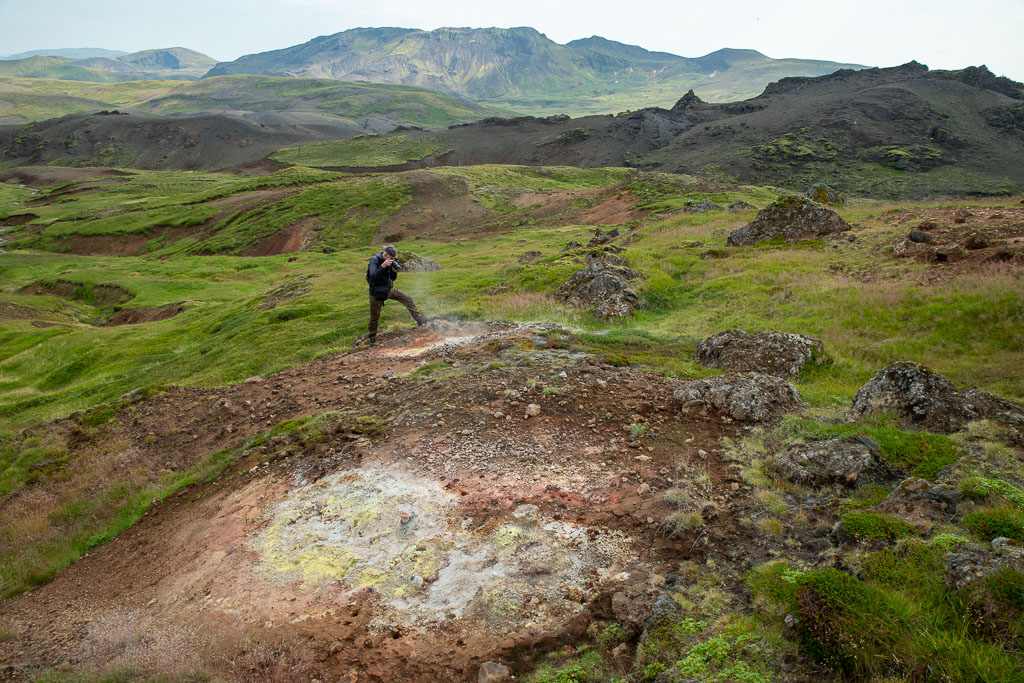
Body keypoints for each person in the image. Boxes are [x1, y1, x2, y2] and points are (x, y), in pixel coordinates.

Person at [366, 245, 425, 347]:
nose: (392, 260)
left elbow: (392, 279)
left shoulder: (389, 261)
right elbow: (373, 276)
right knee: (374, 317)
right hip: (376, 293)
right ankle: (372, 339)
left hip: (389, 290)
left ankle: (420, 320)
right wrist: (383, 266)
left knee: (408, 299)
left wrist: (394, 270)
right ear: (385, 254)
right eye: (390, 258)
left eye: (393, 258)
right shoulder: (374, 260)